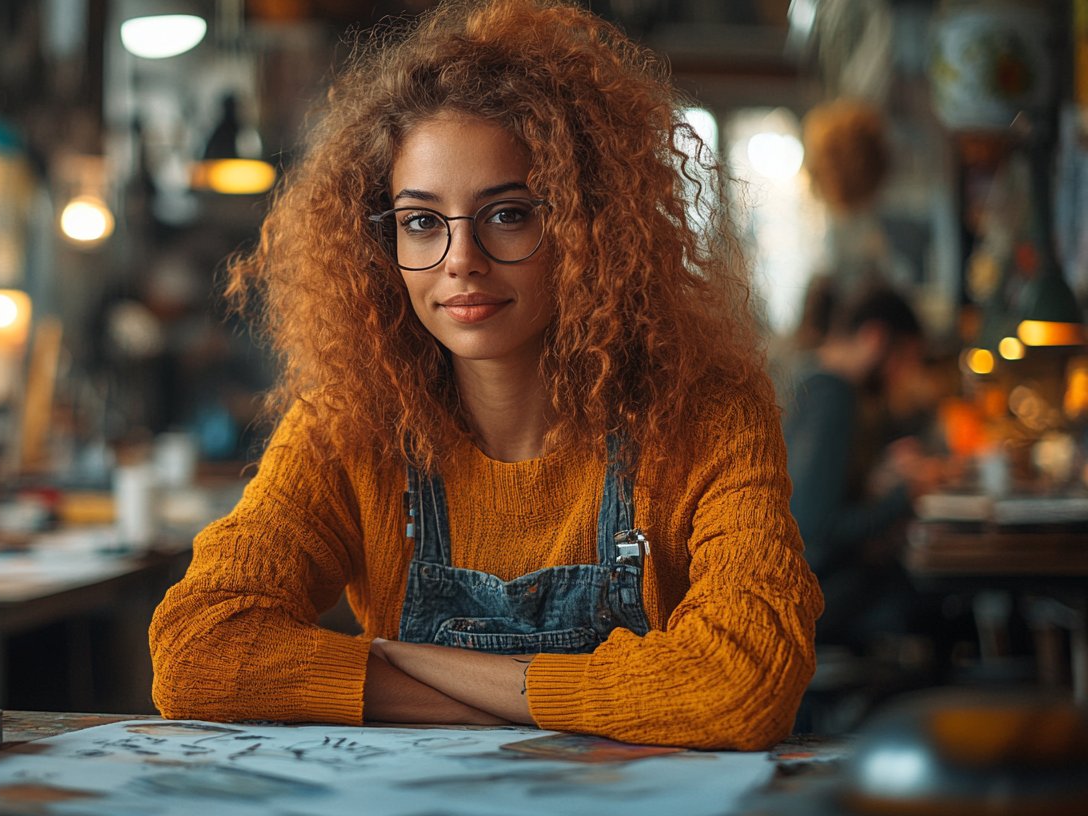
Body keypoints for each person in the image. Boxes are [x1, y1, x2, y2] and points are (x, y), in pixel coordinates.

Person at [150, 0, 822, 750]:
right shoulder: (349, 426)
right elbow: (195, 649)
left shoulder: (705, 415)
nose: (460, 259)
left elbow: (744, 684)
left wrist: (394, 660)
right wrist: (525, 700)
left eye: (507, 215)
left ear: (585, 223)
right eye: (421, 221)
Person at [783, 285, 950, 652]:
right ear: (875, 337)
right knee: (944, 605)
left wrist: (879, 480)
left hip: (809, 593)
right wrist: (906, 495)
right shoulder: (834, 398)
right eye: (905, 359)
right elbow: (819, 529)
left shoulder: (811, 384)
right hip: (821, 598)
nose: (902, 376)